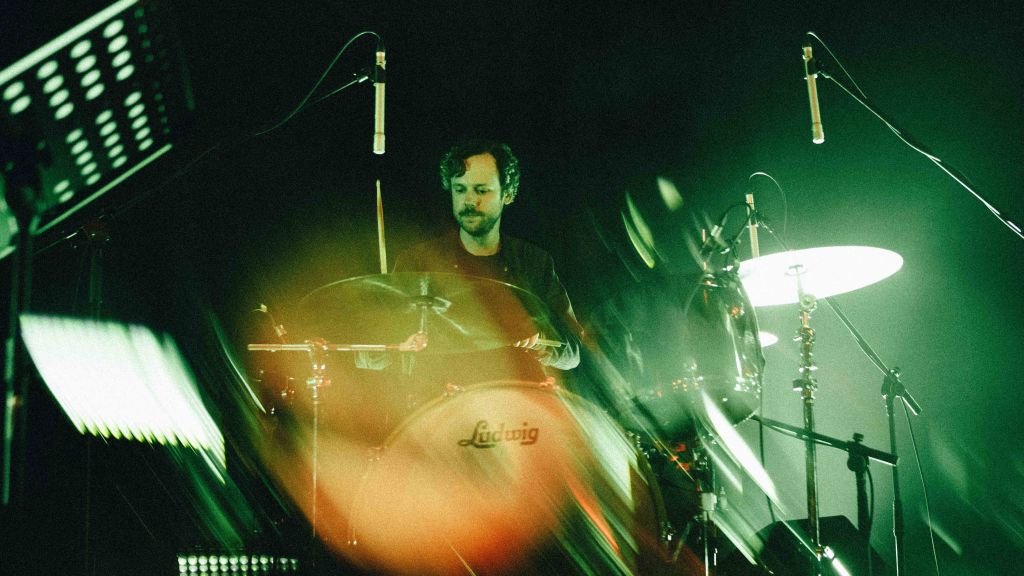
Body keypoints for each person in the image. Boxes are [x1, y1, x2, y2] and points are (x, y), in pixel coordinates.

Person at [391, 139, 582, 385]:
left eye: (481, 190)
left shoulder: (534, 261)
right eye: (460, 189)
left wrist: (541, 336)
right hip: (441, 398)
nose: (469, 200)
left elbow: (573, 353)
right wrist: (392, 340)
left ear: (508, 194)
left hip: (516, 400)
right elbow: (371, 354)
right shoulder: (417, 262)